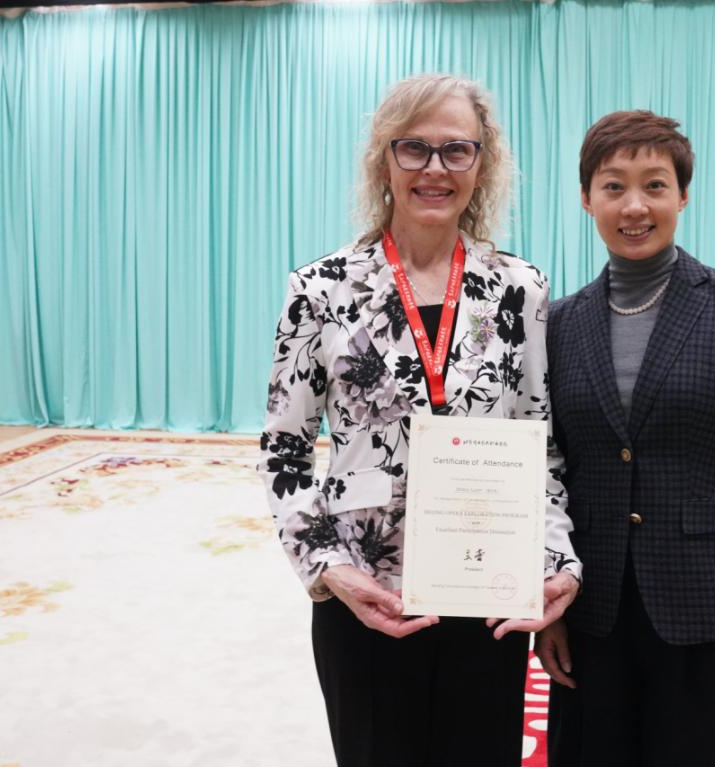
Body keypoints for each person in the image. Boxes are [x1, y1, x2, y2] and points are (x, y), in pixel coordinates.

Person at [258, 74, 581, 767]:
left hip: (487, 590)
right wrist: (329, 567)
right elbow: (284, 447)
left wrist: (559, 561)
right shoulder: (320, 289)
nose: (435, 168)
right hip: (366, 592)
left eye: (456, 150)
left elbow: (543, 443)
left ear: (482, 165)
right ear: (385, 160)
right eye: (414, 148)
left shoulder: (521, 289)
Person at [537, 110, 715, 766]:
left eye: (655, 185)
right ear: (586, 198)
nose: (635, 206)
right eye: (613, 186)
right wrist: (548, 604)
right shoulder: (559, 323)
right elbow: (549, 473)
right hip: (592, 609)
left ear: (682, 196)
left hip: (713, 608)